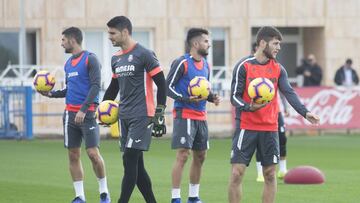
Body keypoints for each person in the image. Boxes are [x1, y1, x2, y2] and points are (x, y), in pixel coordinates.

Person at [228, 26, 320, 203]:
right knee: (236, 173)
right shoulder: (243, 66)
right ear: (262, 43)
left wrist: (305, 113)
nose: (279, 47)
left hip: (270, 128)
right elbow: (234, 97)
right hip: (246, 127)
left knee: (270, 175)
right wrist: (249, 107)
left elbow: (289, 93)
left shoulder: (278, 69)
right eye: (275, 43)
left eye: (280, 44)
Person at [38, 27, 110, 203]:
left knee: (93, 153)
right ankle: (80, 196)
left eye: (63, 40)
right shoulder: (68, 63)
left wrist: (83, 109)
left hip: (87, 114)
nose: (61, 43)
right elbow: (70, 89)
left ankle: (104, 192)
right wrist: (52, 94)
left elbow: (95, 87)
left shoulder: (90, 59)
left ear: (72, 40)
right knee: (73, 155)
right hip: (69, 116)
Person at [102, 16, 167, 203]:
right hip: (124, 116)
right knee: (135, 163)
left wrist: (160, 113)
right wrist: (102, 108)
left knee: (130, 158)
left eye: (112, 33)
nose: (110, 37)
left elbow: (162, 85)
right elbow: (113, 88)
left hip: (142, 115)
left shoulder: (145, 54)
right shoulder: (116, 59)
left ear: (125, 32)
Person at [166, 28, 221, 203]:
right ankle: (175, 198)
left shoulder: (206, 65)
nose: (209, 44)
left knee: (201, 156)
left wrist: (212, 97)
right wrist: (184, 98)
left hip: (201, 116)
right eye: (206, 41)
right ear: (195, 43)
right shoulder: (182, 63)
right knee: (183, 154)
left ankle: (193, 197)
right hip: (184, 114)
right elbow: (167, 86)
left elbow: (204, 91)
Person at [256, 93, 289, 182]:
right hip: (259, 112)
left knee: (282, 138)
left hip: (275, 111)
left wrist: (286, 107)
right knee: (260, 141)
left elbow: (282, 92)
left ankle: (283, 170)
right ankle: (260, 173)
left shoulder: (276, 78)